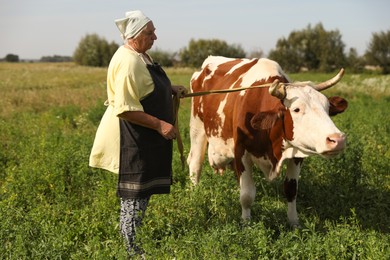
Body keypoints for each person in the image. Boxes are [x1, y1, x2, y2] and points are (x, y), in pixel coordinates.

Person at [89, 10, 187, 256]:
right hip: (130, 138)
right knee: (134, 196)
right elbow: (125, 109)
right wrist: (161, 125)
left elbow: (145, 88)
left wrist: (169, 89)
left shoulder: (139, 55)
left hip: (142, 138)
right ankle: (132, 251)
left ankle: (133, 241)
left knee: (140, 197)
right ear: (135, 35)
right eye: (150, 32)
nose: (155, 36)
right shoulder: (130, 62)